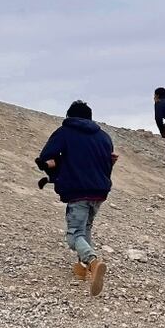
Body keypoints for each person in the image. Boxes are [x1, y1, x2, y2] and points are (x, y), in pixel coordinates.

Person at [36, 100, 118, 296]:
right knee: (85, 228)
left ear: (69, 116)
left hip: (78, 191)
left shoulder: (65, 132)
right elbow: (108, 165)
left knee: (74, 235)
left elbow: (46, 157)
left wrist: (50, 168)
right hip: (99, 192)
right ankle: (83, 269)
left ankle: (93, 261)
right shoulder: (104, 137)